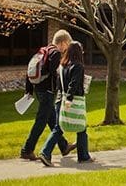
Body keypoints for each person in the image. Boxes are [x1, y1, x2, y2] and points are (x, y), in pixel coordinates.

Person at [20, 30, 75, 161]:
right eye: (67, 45)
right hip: (47, 91)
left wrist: (29, 90)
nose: (67, 49)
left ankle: (64, 146)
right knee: (41, 121)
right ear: (63, 43)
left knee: (52, 120)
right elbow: (54, 72)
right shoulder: (55, 53)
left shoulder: (43, 50)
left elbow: (29, 71)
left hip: (39, 90)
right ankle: (26, 150)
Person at [39, 41, 94, 166]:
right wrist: (69, 100)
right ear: (78, 52)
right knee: (81, 127)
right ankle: (83, 156)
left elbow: (59, 85)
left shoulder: (62, 66)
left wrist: (64, 99)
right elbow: (73, 84)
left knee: (59, 128)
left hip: (60, 99)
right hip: (73, 101)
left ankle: (45, 152)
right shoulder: (78, 66)